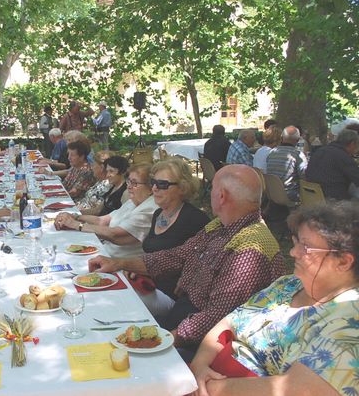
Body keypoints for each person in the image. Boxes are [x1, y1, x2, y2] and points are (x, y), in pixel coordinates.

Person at [88, 165, 285, 361]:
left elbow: (218, 316)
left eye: (212, 188)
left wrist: (166, 338)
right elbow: (178, 256)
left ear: (221, 196)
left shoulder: (251, 248)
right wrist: (118, 263)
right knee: (110, 328)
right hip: (183, 317)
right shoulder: (221, 225)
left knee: (120, 355)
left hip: (207, 346)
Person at [189, 202, 359, 396]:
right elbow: (229, 323)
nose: (293, 252)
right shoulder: (288, 284)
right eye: (296, 242)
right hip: (210, 375)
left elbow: (294, 390)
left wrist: (204, 387)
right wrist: (199, 366)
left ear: (343, 262)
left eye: (306, 248)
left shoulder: (351, 322)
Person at [136, 158, 210, 314]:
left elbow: (206, 263)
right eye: (153, 182)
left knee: (125, 298)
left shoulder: (195, 219)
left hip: (173, 297)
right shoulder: (158, 214)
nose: (154, 188)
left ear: (182, 188)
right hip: (148, 284)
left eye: (162, 184)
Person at [56, 164, 157, 258]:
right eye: (129, 181)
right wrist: (75, 216)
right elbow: (102, 221)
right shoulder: (132, 202)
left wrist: (76, 225)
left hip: (117, 263)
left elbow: (115, 235)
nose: (129, 186)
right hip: (103, 251)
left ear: (150, 188)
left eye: (134, 183)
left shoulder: (149, 210)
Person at [305, 129, 359, 200]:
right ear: (352, 144)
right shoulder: (343, 156)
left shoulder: (320, 151)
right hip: (332, 199)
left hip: (311, 197)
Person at [266, 125, 308, 202]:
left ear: (282, 138)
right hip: (290, 195)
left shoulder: (272, 152)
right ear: (298, 140)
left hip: (272, 193)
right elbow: (305, 176)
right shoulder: (298, 155)